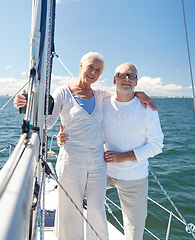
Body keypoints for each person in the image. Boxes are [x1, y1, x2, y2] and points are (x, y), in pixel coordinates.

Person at [14, 53, 156, 240]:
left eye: (98, 70)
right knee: (70, 209)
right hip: (71, 159)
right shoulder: (63, 92)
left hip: (98, 160)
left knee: (97, 209)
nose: (93, 72)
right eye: (90, 67)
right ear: (81, 65)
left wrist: (140, 93)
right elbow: (47, 122)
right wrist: (25, 105)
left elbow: (123, 93)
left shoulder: (99, 95)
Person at [58, 62, 164, 240]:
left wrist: (124, 157)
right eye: (122, 75)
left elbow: (157, 145)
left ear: (137, 82)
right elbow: (80, 116)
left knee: (134, 227)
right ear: (114, 79)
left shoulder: (147, 109)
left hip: (134, 177)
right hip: (101, 171)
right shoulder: (103, 101)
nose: (127, 79)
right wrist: (62, 133)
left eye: (132, 76)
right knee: (73, 197)